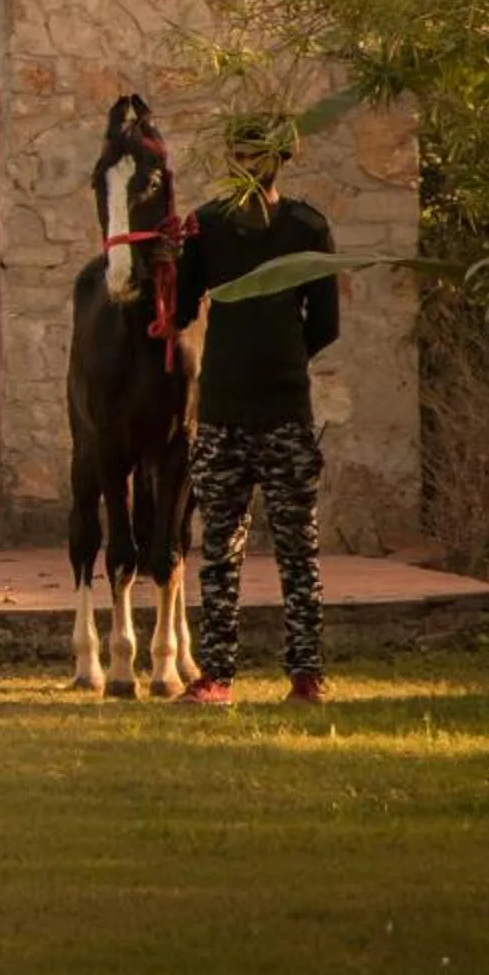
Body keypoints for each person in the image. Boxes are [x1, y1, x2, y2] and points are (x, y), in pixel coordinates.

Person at [173, 114, 341, 705]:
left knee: (299, 551)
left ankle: (305, 675)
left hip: (285, 413)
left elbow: (325, 323)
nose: (249, 166)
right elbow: (179, 309)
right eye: (240, 156)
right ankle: (217, 676)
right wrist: (171, 257)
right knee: (219, 552)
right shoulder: (208, 226)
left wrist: (280, 357)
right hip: (221, 413)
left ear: (279, 159)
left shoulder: (306, 227)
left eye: (259, 156)